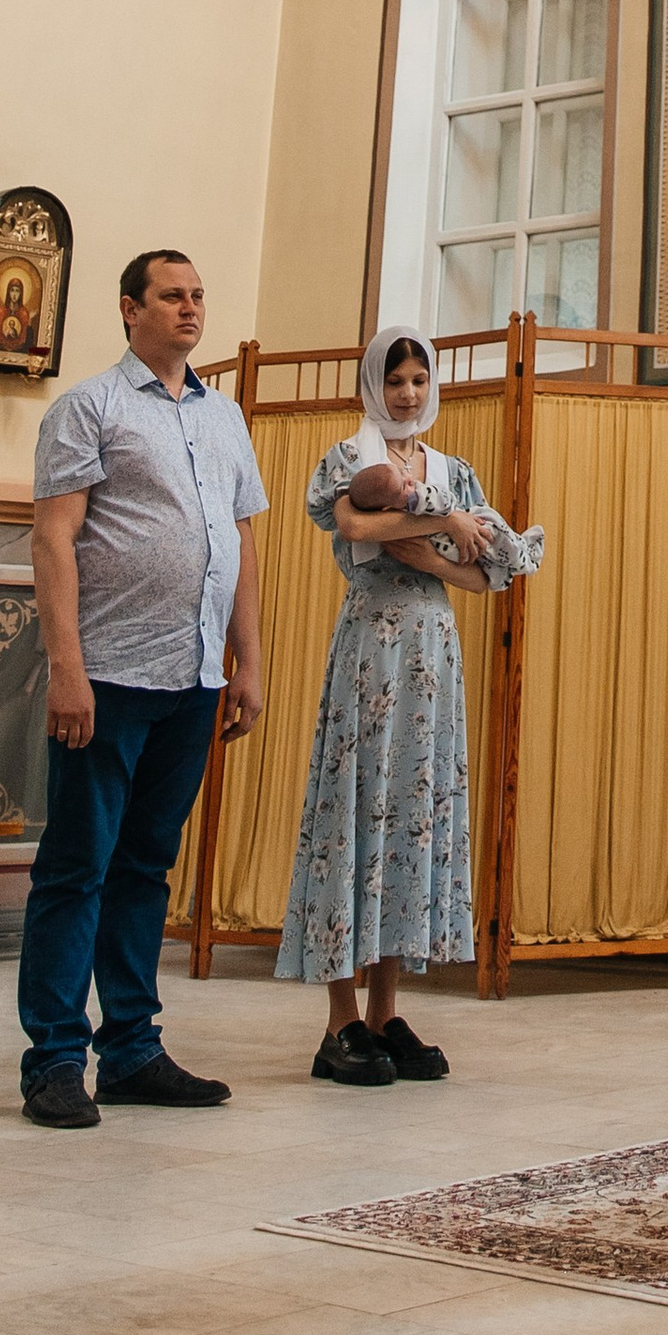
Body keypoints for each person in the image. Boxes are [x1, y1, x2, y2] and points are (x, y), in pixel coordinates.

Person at [18, 252, 266, 1128]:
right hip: (108, 673)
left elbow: (240, 543)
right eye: (172, 296)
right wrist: (66, 668)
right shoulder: (89, 407)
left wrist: (249, 660)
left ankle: (130, 1050)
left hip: (193, 677)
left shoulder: (225, 416)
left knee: (145, 868)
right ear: (131, 309)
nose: (191, 308)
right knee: (76, 868)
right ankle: (55, 1059)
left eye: (198, 295)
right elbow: (53, 540)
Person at [276, 329, 541, 1083]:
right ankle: (339, 1022)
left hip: (433, 656)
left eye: (419, 380)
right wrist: (446, 524)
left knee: (408, 820)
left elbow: (485, 577)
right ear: (374, 385)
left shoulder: (452, 470)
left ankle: (384, 1013)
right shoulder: (350, 457)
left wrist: (433, 547)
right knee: (354, 815)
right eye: (394, 380)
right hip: (372, 649)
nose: (407, 393)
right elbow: (357, 526)